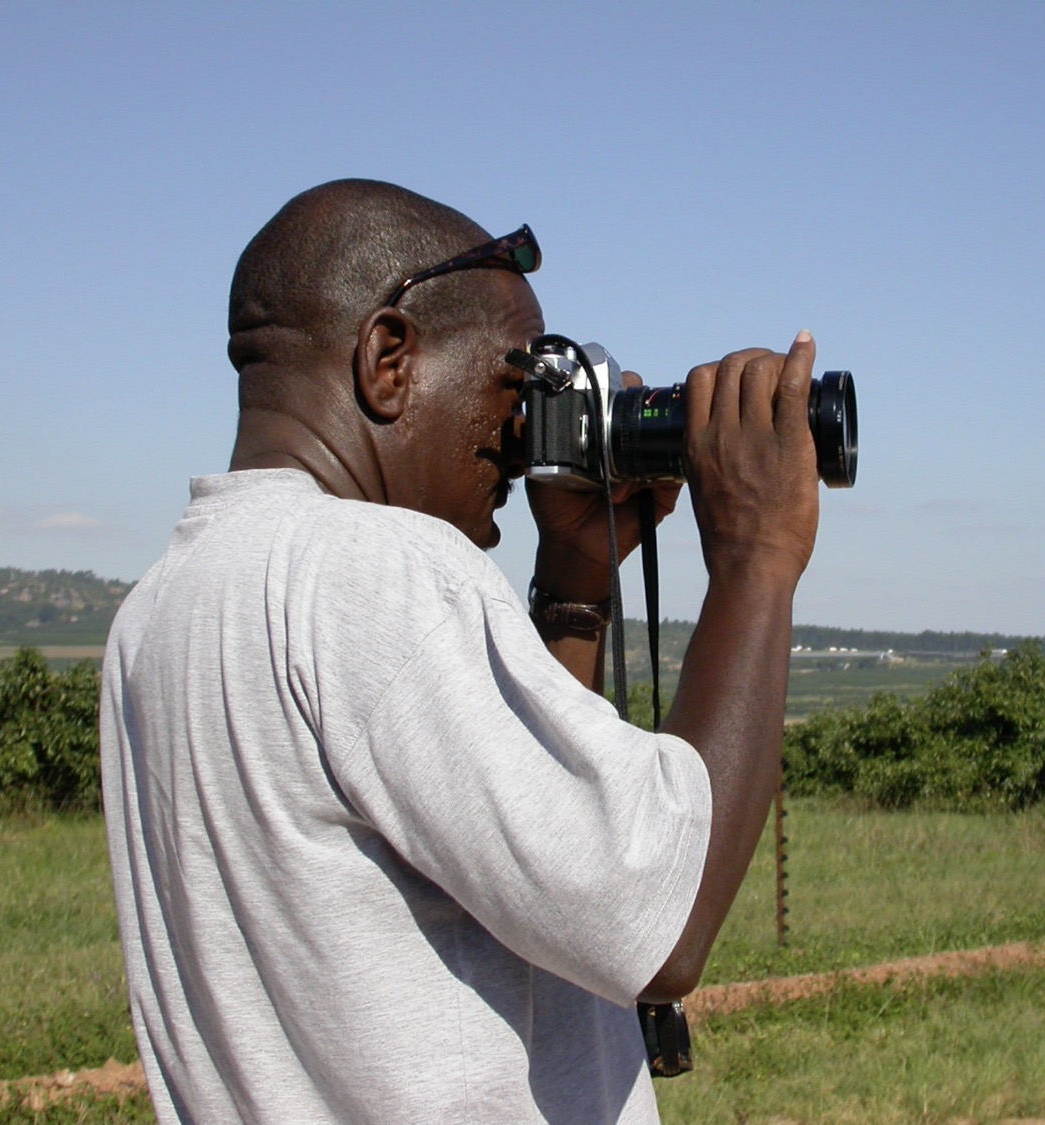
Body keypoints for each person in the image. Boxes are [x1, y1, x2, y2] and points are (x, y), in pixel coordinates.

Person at [100, 178, 821, 1124]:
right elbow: (657, 916)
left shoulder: (154, 615)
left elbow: (526, 864)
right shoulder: (379, 568)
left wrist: (573, 578)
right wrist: (756, 559)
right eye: (513, 385)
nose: (522, 439)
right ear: (388, 360)